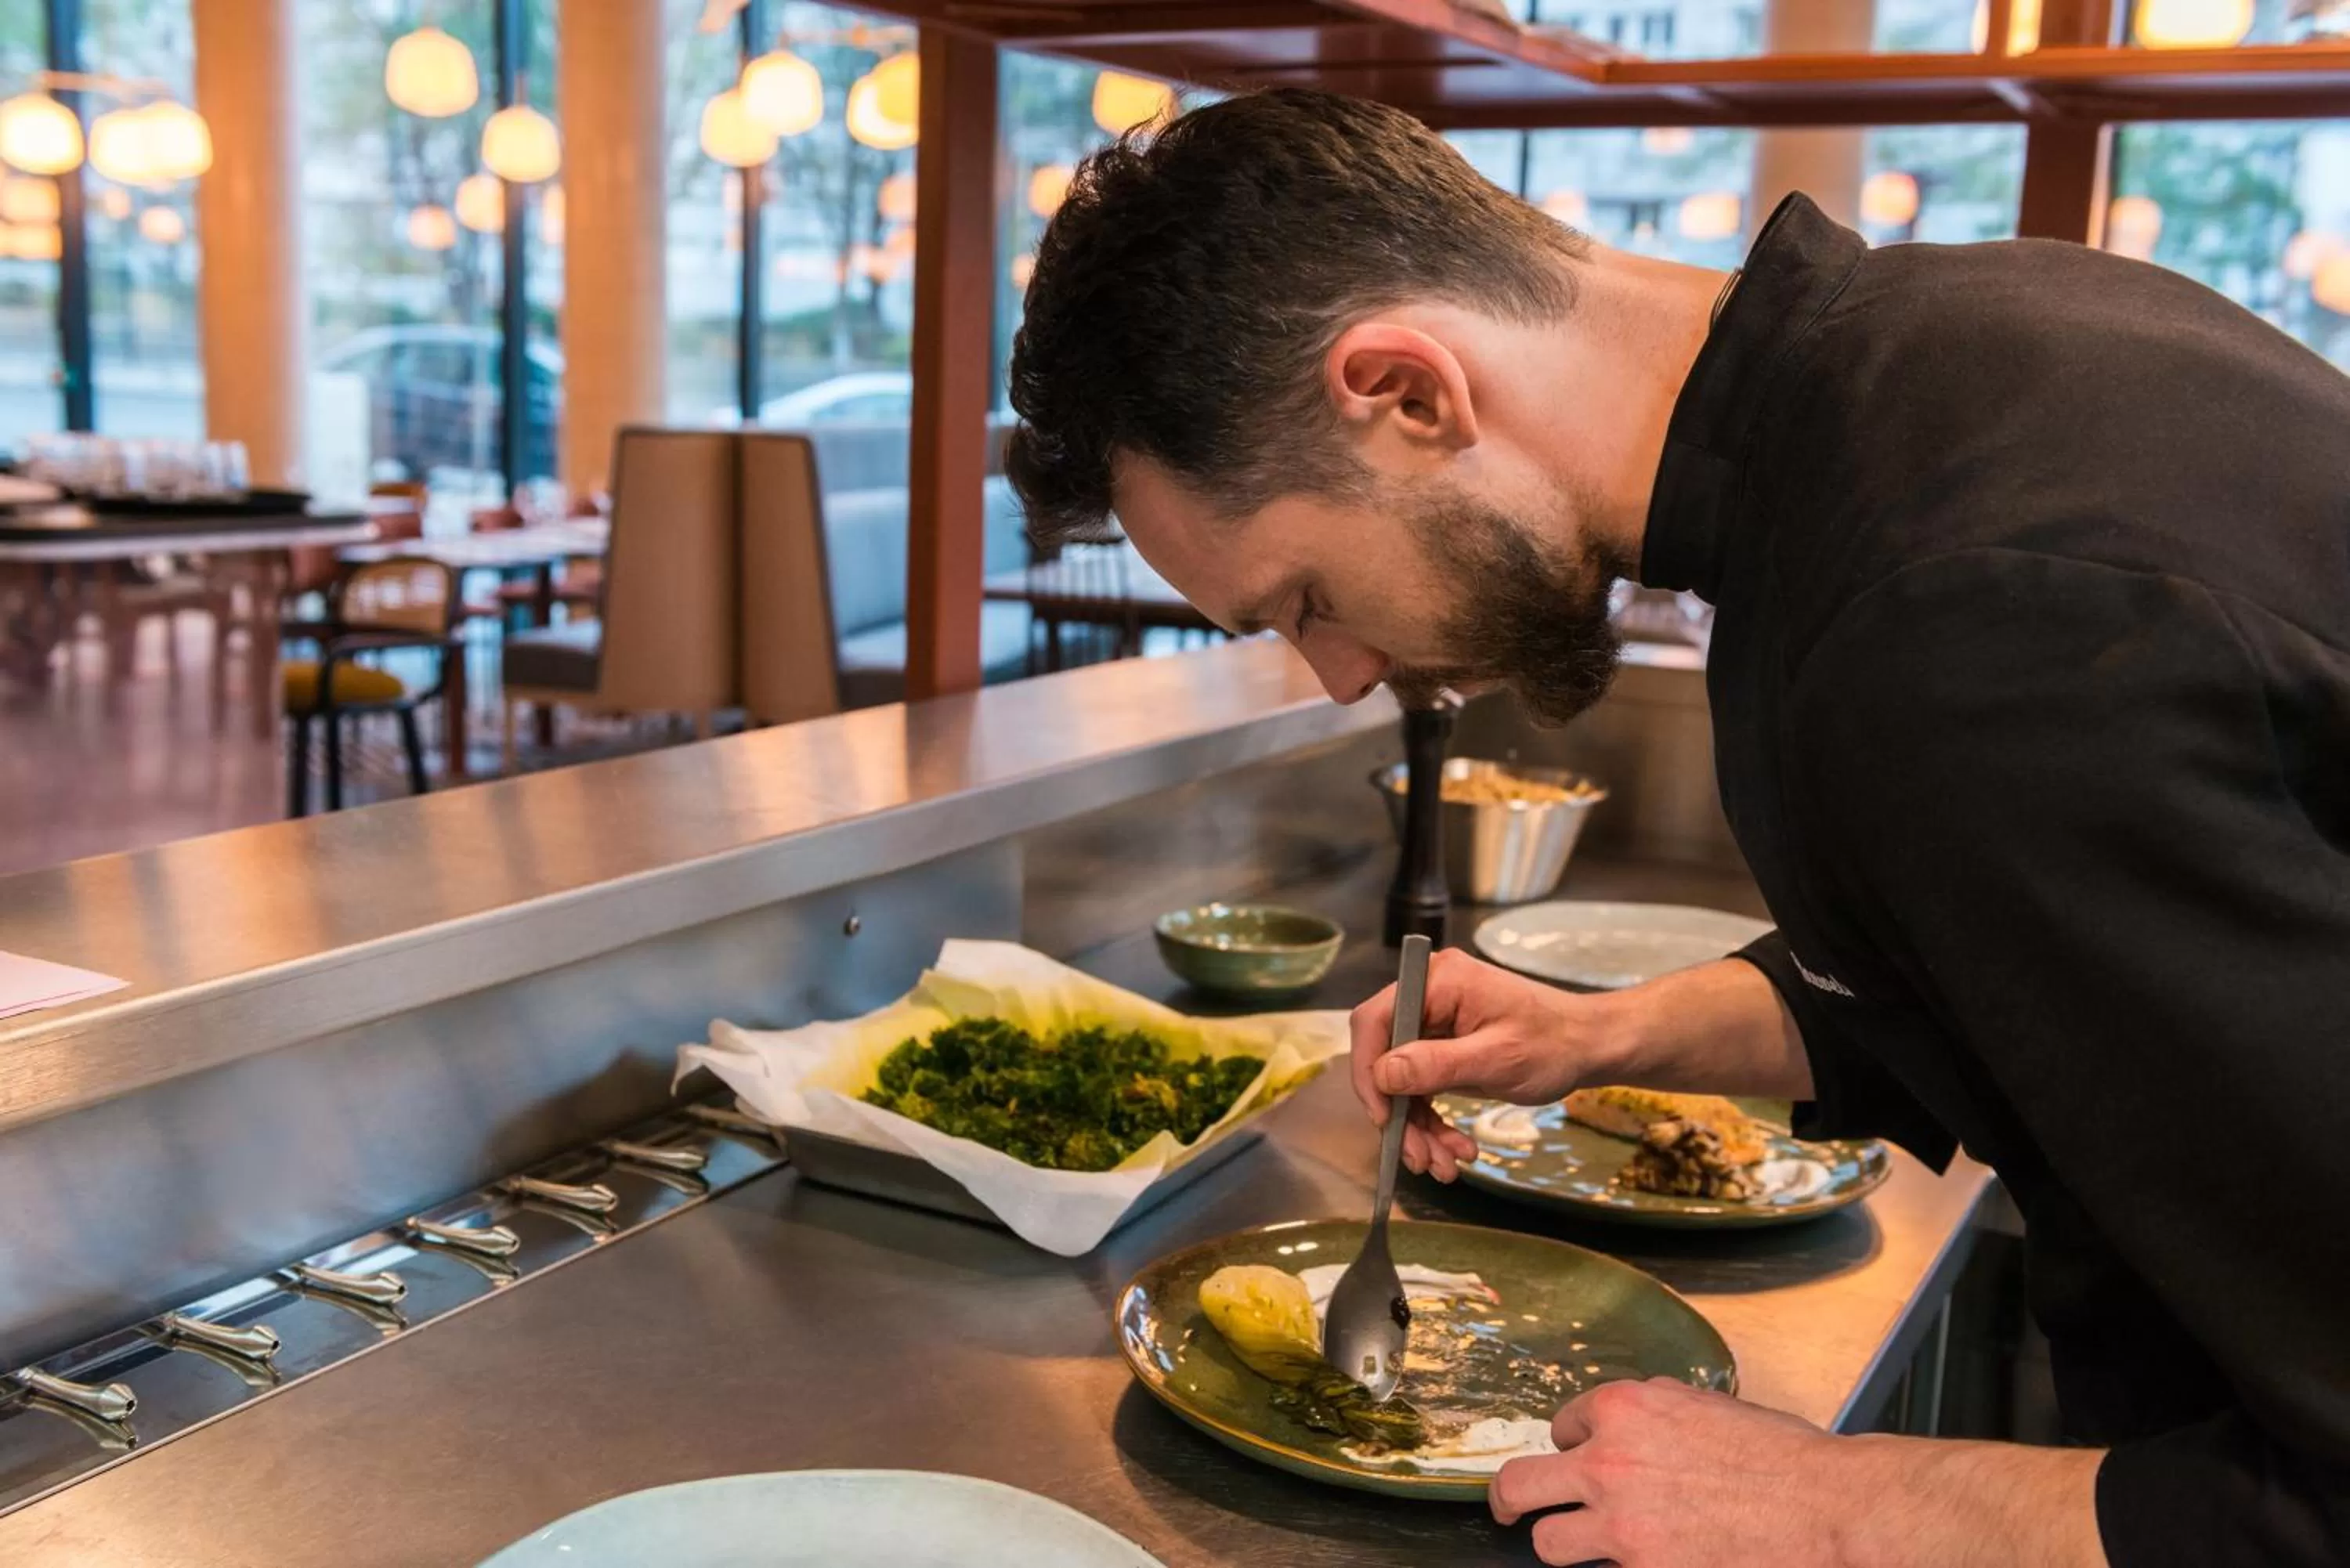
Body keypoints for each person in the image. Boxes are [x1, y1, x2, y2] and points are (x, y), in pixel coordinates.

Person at [1004, 87, 2350, 1568]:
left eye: (1306, 600)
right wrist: (1605, 1037)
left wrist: (1835, 1507)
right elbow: (2037, 973)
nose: (1338, 675)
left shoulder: (1956, 608)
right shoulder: (1943, 375)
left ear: (1405, 392)